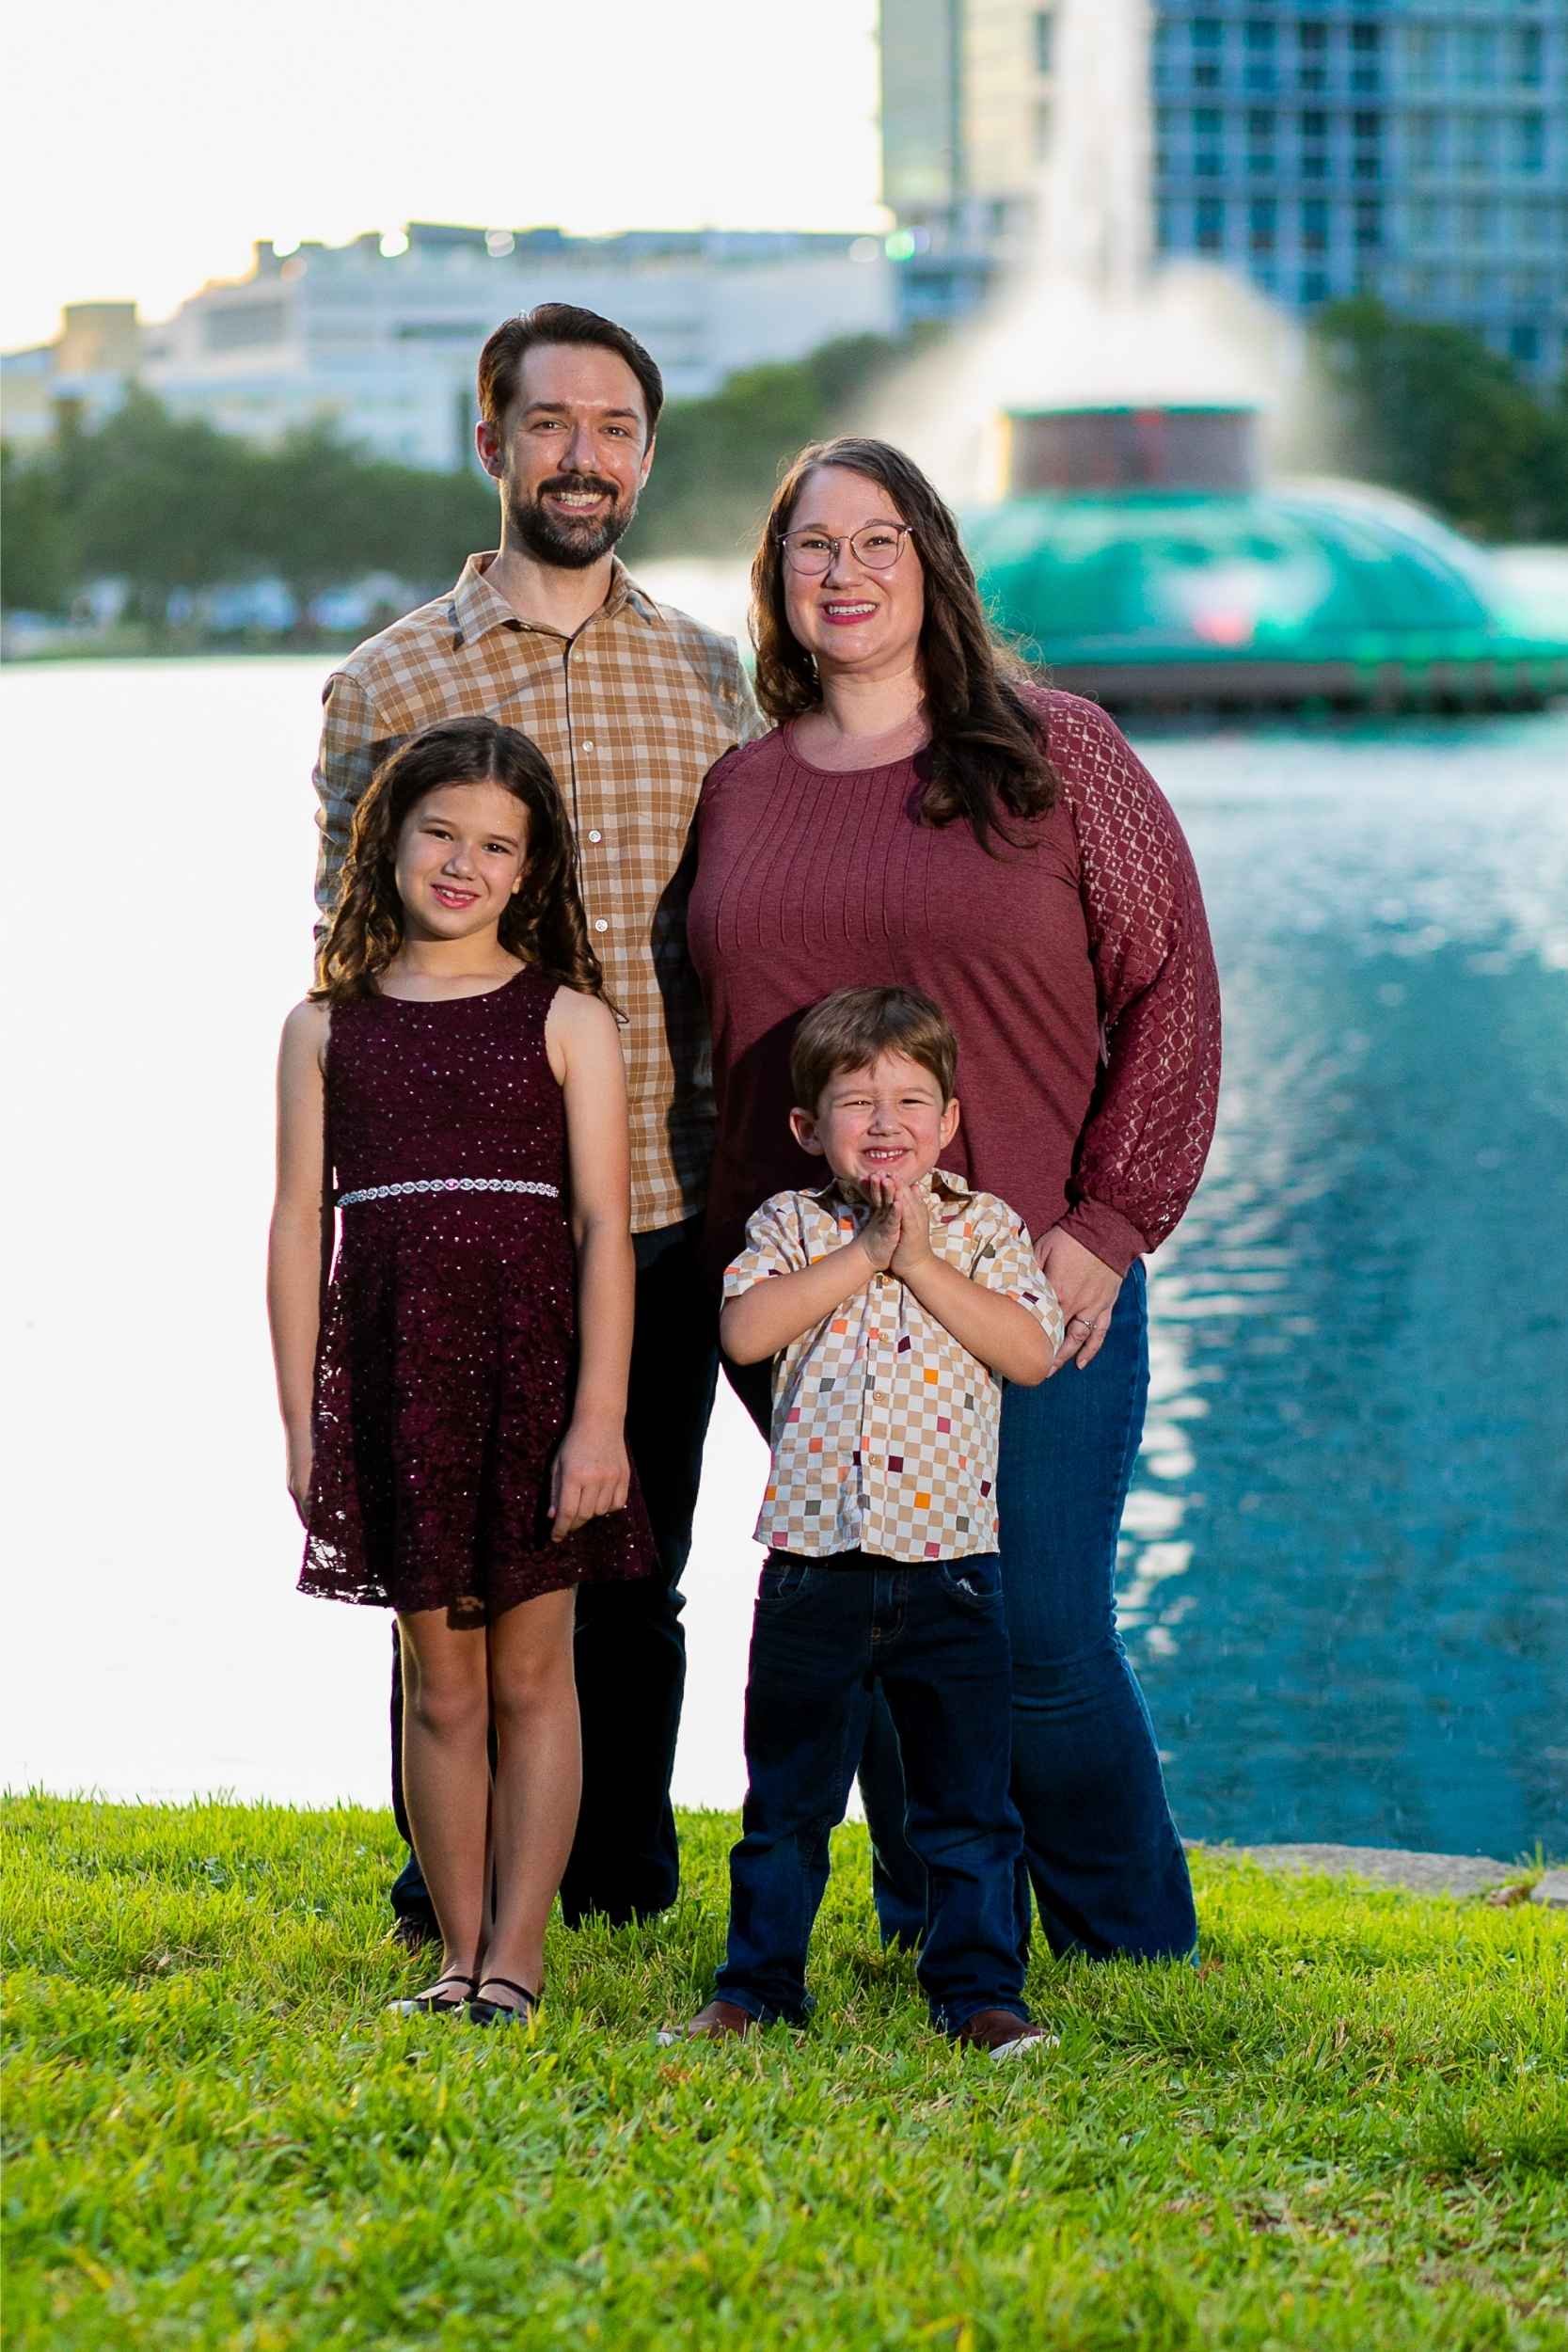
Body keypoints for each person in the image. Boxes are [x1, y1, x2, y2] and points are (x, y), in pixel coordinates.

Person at [689, 437, 1222, 1964]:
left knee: (1040, 1639)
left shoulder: (1053, 752)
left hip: (1025, 1282)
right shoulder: (739, 792)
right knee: (880, 1633)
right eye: (809, 548)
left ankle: (1129, 1947)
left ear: (931, 565)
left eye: (874, 542)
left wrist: (1111, 1221)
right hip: (811, 1296)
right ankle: (938, 1930)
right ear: (776, 583)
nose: (841, 574)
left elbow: (1169, 985)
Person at [310, 303, 762, 1942]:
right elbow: (352, 962)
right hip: (460, 1207)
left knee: (631, 1572)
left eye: (618, 429)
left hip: (659, 1194)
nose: (586, 458)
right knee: (446, 1568)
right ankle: (450, 1892)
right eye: (553, 425)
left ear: (645, 454)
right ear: (489, 442)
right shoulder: (384, 684)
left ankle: (618, 1885)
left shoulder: (710, 676)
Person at [269, 715, 652, 2021]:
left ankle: (519, 1957)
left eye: (495, 846)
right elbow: (294, 1226)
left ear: (529, 870)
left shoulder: (569, 1022)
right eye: (440, 831)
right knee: (438, 1680)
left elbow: (604, 1230)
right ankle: (453, 1953)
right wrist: (303, 1429)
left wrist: (597, 1420)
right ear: (389, 837)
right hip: (393, 1379)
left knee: (535, 1672)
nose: (461, 863)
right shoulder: (325, 1028)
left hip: (533, 1381)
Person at [665, 988, 1064, 2055]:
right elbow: (745, 1331)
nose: (883, 1122)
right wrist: (867, 1253)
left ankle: (979, 1993)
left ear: (947, 1121)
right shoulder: (789, 1227)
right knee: (785, 1804)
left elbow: (1029, 1353)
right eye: (854, 1102)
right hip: (813, 1573)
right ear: (808, 1128)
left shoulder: (984, 1231)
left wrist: (918, 1257)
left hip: (951, 1575)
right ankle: (756, 1987)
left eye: (908, 1100)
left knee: (966, 1808)